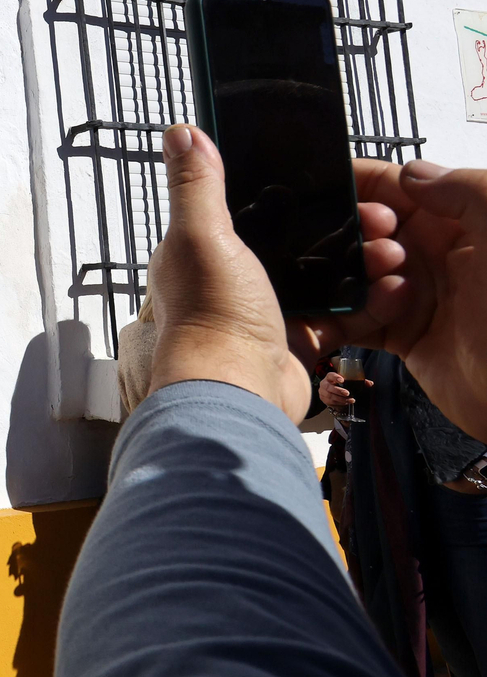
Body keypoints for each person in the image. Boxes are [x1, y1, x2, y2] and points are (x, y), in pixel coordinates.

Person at [58, 123, 487, 675]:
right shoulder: (171, 312)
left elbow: (199, 641)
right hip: (400, 495)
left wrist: (210, 360)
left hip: (448, 492)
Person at [318, 349, 487, 677]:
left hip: (470, 499)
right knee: (454, 642)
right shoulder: (369, 331)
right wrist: (335, 401)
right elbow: (364, 419)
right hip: (403, 496)